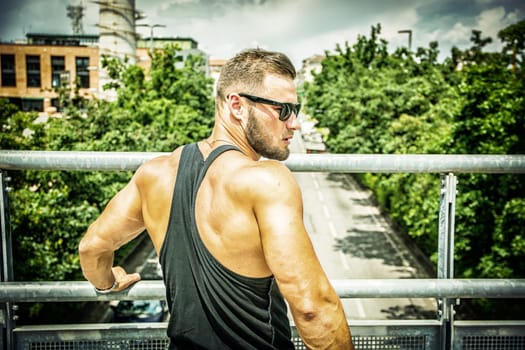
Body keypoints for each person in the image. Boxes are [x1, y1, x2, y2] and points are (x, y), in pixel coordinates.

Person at [79, 48, 353, 349]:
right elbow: (313, 308)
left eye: (295, 110)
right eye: (283, 110)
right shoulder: (266, 181)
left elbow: (92, 247)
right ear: (236, 105)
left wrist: (108, 283)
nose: (294, 124)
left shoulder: (154, 174)